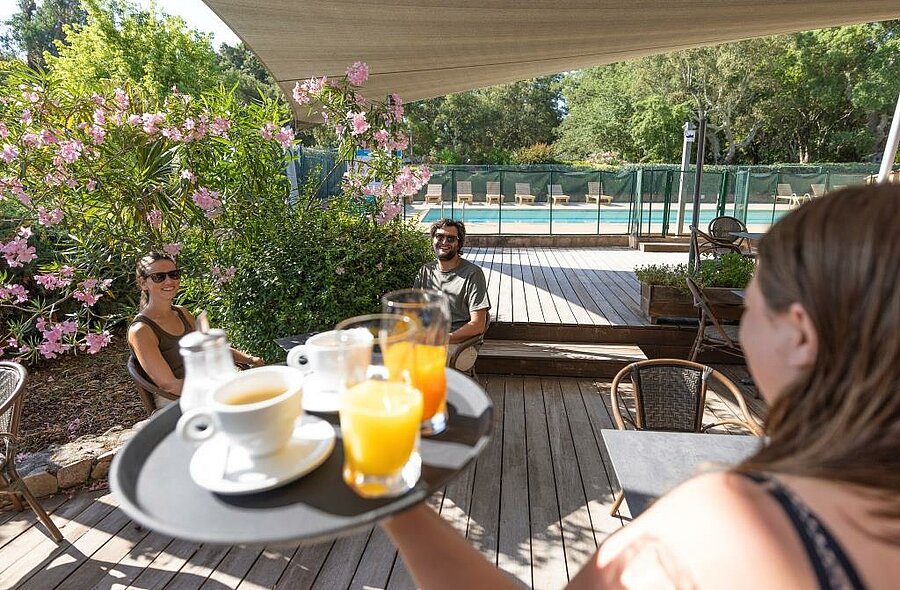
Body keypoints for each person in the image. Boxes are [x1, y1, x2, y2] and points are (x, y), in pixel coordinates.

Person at [381, 185, 900, 589]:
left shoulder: (732, 523)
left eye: (754, 294)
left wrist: (395, 501)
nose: (743, 314)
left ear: (800, 335)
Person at [127, 252, 263, 396]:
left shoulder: (182, 312)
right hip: (179, 399)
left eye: (174, 274)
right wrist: (221, 386)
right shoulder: (141, 330)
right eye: (159, 277)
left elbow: (211, 348)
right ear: (143, 283)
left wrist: (250, 359)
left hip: (209, 384)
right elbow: (169, 386)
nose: (169, 281)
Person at [413, 218, 491, 346]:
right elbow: (414, 311)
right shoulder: (425, 271)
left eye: (451, 239)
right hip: (427, 339)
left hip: (458, 343)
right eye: (439, 236)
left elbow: (478, 325)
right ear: (433, 239)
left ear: (459, 244)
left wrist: (442, 339)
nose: (444, 242)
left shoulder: (473, 274)